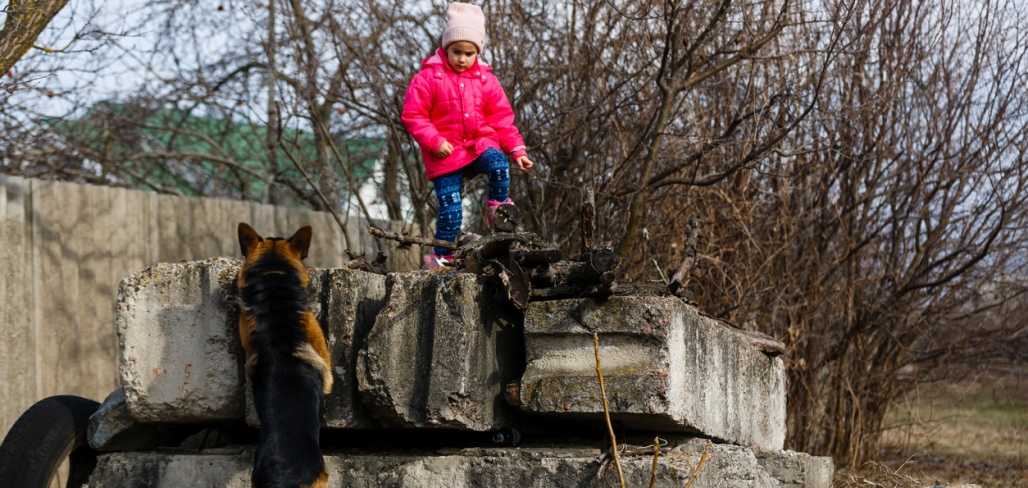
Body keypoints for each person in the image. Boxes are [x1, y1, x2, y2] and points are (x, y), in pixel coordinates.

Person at [402, 2, 534, 269]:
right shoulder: (428, 78)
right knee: (451, 213)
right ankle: (441, 258)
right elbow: (414, 115)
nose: (462, 59)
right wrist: (435, 140)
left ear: (478, 52)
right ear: (445, 48)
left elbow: (501, 120)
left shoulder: (486, 81)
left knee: (498, 163)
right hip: (445, 155)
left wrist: (517, 150)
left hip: (478, 145)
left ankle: (497, 210)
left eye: (469, 53)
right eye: (456, 52)